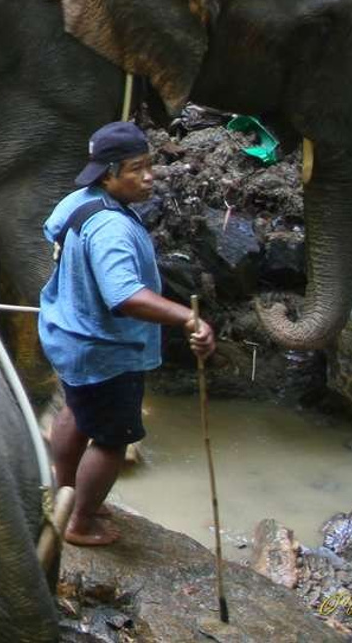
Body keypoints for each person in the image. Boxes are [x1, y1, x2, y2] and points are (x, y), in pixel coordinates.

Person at [39, 121, 215, 547]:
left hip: (69, 335)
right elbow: (124, 296)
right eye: (137, 168)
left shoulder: (79, 203)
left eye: (149, 165)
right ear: (109, 174)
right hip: (105, 350)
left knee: (75, 412)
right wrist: (188, 319)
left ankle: (64, 494)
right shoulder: (112, 229)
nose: (149, 176)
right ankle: (80, 521)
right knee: (113, 439)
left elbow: (52, 232)